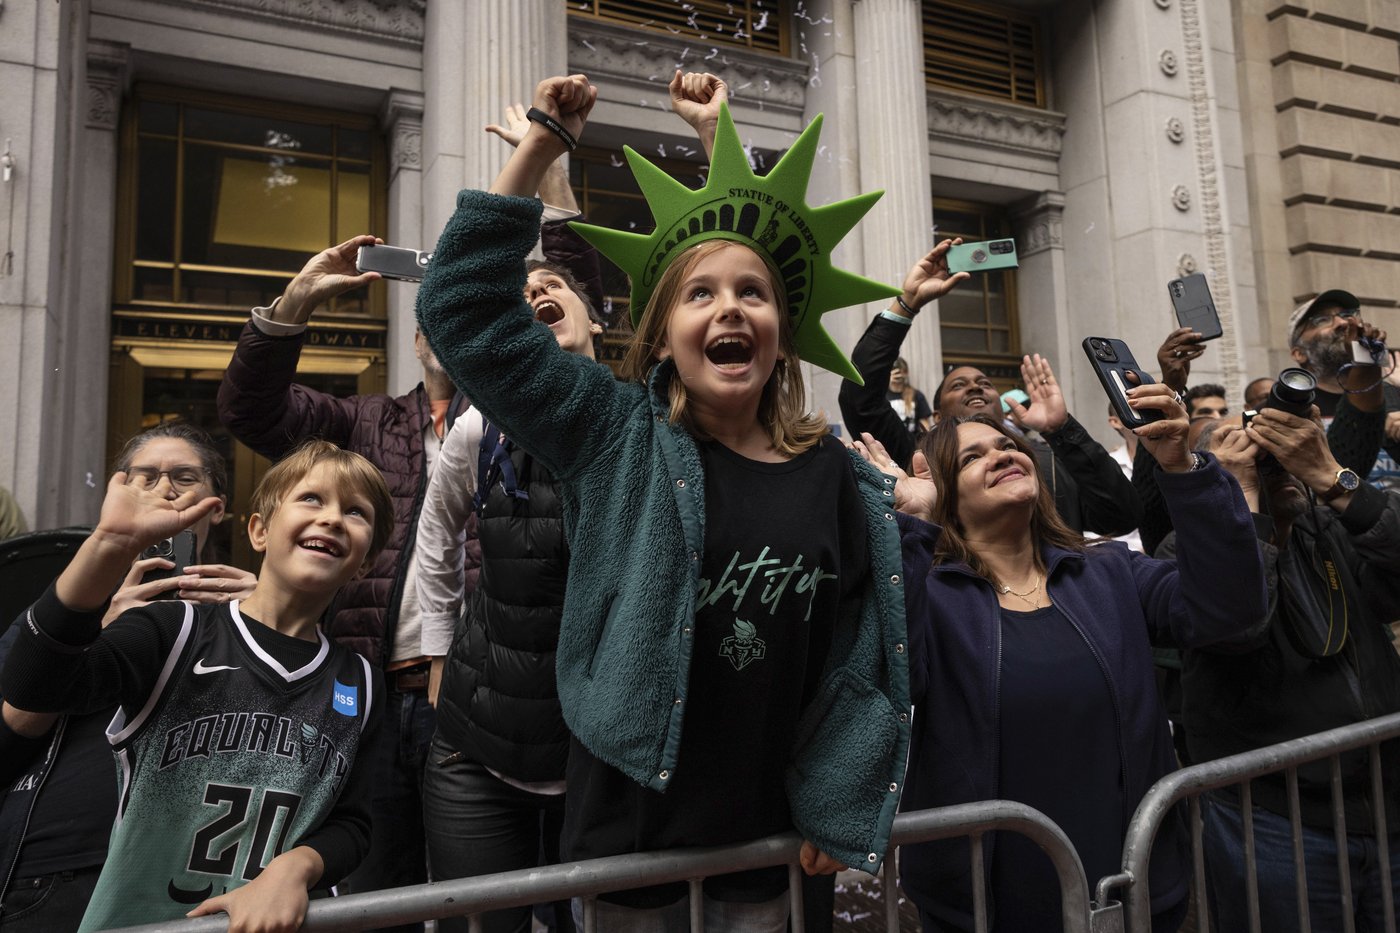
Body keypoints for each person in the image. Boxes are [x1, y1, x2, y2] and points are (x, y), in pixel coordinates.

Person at [415, 73, 912, 930]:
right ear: (664, 331)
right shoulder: (613, 431)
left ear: (782, 330)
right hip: (631, 850)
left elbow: (857, 651)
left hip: (776, 853)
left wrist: (839, 792)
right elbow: (461, 311)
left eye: (752, 292)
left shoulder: (835, 475)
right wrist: (541, 145)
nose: (730, 309)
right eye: (701, 293)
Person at [856, 382, 1267, 931]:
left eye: (1007, 445)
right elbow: (888, 681)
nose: (1002, 453)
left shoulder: (1108, 570)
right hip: (992, 908)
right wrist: (911, 527)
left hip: (1135, 894)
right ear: (942, 491)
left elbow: (1231, 612)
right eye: (971, 457)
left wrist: (1184, 469)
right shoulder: (928, 595)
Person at [0, 439, 391, 933]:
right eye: (312, 499)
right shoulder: (175, 630)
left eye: (355, 511)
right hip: (138, 922)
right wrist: (106, 546)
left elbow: (352, 825)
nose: (332, 517)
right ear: (259, 530)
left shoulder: (361, 682)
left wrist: (295, 868)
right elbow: (35, 686)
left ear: (366, 562)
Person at [0, 422, 255, 933]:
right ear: (117, 491)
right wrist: (95, 632)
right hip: (64, 866)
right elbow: (8, 735)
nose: (164, 489)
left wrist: (269, 623)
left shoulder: (251, 607)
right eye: (145, 476)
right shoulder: (64, 611)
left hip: (199, 873)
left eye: (184, 476)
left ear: (217, 506)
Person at [415, 257, 602, 933]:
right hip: (477, 749)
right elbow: (435, 532)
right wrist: (436, 653)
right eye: (522, 292)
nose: (538, 291)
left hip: (601, 759)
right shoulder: (478, 427)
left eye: (556, 284)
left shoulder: (647, 423)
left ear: (595, 318)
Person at [1173, 413, 1400, 933]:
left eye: (1280, 459)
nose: (1278, 470)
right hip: (1276, 823)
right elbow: (1238, 627)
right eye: (1259, 462)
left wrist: (1331, 478)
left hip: (1384, 802)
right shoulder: (1185, 555)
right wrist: (1236, 503)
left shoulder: (1330, 536)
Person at [838, 289, 1141, 536]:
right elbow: (860, 397)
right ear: (939, 416)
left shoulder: (1045, 458)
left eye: (984, 383)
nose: (975, 387)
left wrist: (1062, 429)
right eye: (959, 385)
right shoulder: (921, 461)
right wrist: (905, 306)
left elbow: (1120, 516)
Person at [888, 357, 933, 436]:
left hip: (912, 444)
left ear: (906, 373)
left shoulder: (917, 395)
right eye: (894, 371)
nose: (898, 375)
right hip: (887, 442)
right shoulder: (882, 396)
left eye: (902, 371)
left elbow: (925, 425)